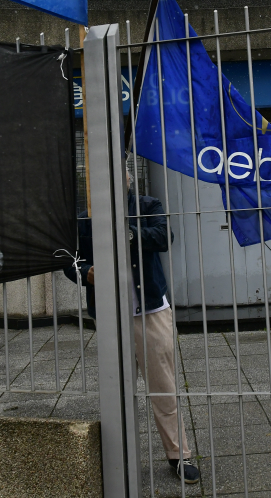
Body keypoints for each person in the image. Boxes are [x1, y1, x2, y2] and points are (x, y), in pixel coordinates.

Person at [63, 171, 200, 484]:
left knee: (162, 385)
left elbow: (166, 238)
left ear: (128, 180)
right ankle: (119, 459)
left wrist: (126, 231)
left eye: (119, 175)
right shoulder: (83, 220)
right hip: (110, 316)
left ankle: (178, 455)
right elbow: (68, 260)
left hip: (151, 309)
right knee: (117, 390)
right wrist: (85, 272)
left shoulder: (147, 205)